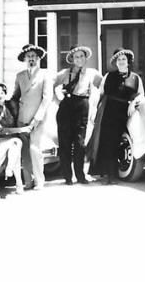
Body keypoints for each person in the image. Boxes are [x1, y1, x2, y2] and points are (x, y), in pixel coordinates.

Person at [86, 48, 145, 184]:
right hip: (108, 110)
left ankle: (114, 174)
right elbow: (100, 93)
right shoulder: (109, 76)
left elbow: (141, 93)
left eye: (124, 59)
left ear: (128, 61)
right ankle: (107, 175)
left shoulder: (135, 77)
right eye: (119, 60)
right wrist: (94, 109)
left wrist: (133, 103)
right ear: (115, 62)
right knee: (106, 142)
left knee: (117, 143)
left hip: (124, 112)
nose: (121, 62)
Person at [53, 46, 104, 185]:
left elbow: (104, 85)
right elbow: (50, 84)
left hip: (82, 106)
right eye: (76, 57)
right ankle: (67, 177)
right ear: (72, 59)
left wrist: (96, 104)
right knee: (65, 144)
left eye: (81, 56)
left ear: (85, 58)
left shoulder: (92, 73)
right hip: (66, 108)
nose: (79, 59)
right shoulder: (64, 73)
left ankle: (80, 175)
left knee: (80, 143)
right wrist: (57, 98)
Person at [10, 44, 53, 190]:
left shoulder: (45, 74)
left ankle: (39, 180)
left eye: (34, 56)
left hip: (37, 118)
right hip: (22, 118)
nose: (32, 59)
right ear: (24, 59)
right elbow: (15, 97)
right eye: (29, 57)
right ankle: (27, 181)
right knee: (24, 150)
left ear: (39, 58)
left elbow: (47, 98)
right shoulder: (20, 76)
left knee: (35, 148)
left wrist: (38, 117)